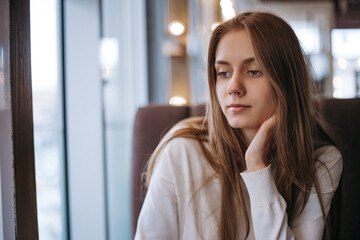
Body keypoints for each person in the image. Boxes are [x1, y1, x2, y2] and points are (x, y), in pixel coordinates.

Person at [135, 11, 342, 240]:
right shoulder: (181, 152)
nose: (233, 87)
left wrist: (257, 167)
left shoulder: (321, 161)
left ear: (286, 81)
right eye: (223, 73)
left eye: (253, 71)